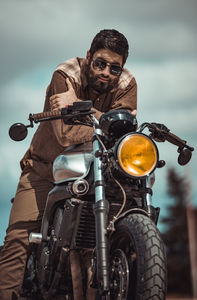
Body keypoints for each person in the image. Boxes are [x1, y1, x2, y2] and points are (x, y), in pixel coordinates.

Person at [0, 29, 137, 299]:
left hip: (94, 174)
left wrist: (83, 110)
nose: (107, 72)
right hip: (45, 168)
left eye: (114, 67)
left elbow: (126, 130)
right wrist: (109, 122)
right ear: (88, 57)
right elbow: (65, 136)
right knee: (17, 240)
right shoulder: (65, 74)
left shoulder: (128, 83)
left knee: (96, 243)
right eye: (100, 63)